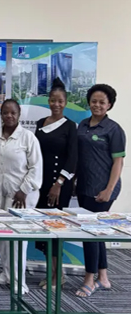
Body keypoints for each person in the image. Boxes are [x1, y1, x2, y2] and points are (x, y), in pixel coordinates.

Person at [0, 99, 42, 294]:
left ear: (19, 114)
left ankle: (19, 281)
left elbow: (36, 168)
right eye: (5, 113)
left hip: (19, 197)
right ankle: (6, 272)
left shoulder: (28, 138)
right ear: (0, 114)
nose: (9, 116)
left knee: (18, 240)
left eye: (13, 113)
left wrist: (24, 190)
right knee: (1, 236)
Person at [74, 84, 126, 298]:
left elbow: (118, 162)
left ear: (109, 105)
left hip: (103, 189)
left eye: (102, 102)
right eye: (94, 101)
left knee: (90, 233)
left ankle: (89, 279)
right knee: (97, 233)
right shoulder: (83, 125)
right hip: (84, 187)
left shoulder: (114, 129)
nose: (97, 105)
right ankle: (103, 277)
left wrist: (108, 190)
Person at [34, 78, 77, 290]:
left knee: (55, 229)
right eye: (53, 100)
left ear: (65, 102)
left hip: (58, 186)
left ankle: (58, 275)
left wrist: (58, 184)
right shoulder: (40, 123)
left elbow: (73, 159)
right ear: (48, 101)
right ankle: (52, 272)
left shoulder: (70, 126)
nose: (56, 104)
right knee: (43, 230)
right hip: (41, 184)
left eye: (60, 101)